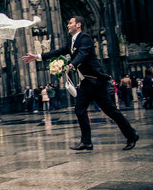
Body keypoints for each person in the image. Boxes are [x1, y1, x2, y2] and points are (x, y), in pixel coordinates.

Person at [22, 16, 139, 151]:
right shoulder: (72, 41)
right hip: (85, 82)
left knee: (110, 111)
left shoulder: (85, 38)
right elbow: (58, 52)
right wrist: (37, 56)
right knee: (79, 110)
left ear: (78, 25)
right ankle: (86, 142)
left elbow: (82, 54)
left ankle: (131, 135)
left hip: (95, 81)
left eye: (70, 23)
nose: (68, 25)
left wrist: (71, 65)